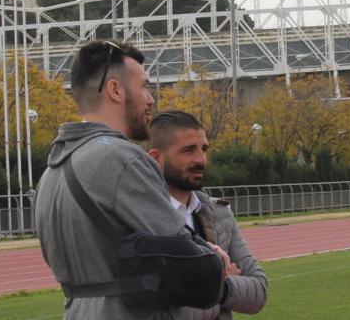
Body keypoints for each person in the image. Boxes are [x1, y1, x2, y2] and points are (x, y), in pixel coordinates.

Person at [34, 41, 229, 319]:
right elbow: (183, 254)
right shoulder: (122, 158)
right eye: (144, 86)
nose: (150, 99)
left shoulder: (51, 172)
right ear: (115, 90)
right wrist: (214, 258)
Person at [148, 111, 268, 319]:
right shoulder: (141, 218)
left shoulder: (219, 214)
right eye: (188, 150)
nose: (201, 159)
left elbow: (259, 291)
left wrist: (207, 288)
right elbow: (167, 311)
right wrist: (221, 284)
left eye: (204, 149)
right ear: (156, 159)